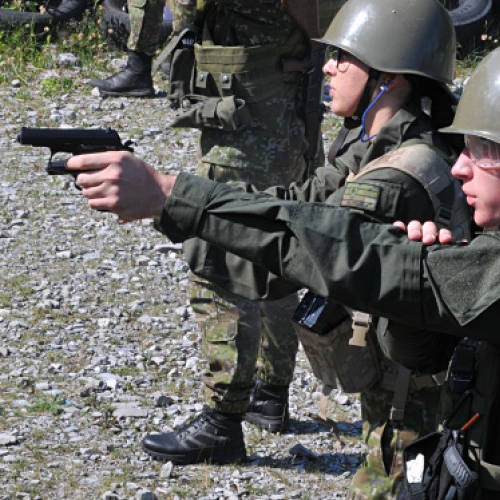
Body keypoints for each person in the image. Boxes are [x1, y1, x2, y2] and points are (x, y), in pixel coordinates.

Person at [66, 38, 500, 499]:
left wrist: (174, 195)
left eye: (483, 151)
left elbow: (354, 252)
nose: (460, 168)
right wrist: (422, 285)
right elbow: (423, 352)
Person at [151, 1, 468, 492]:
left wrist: (175, 203)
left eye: (343, 58)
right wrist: (197, 205)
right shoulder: (373, 137)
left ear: (387, 76)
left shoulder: (390, 178)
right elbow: (301, 202)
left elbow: (302, 247)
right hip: (401, 384)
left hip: (412, 406)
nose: (326, 66)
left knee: (393, 485)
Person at [105, 0, 346, 469]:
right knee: (277, 243)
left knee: (221, 254)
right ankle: (269, 391)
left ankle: (222, 419)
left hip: (248, 117)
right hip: (290, 105)